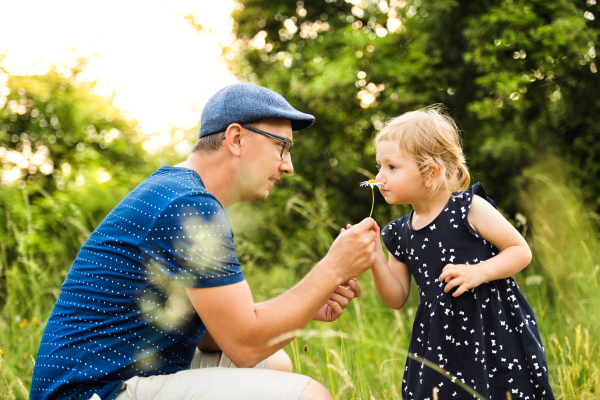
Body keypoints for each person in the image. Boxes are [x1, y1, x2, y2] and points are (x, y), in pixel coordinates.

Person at [30, 83, 381, 400]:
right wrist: (334, 266)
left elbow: (218, 335)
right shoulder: (189, 206)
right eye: (282, 147)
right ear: (236, 139)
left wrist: (308, 303)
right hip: (90, 392)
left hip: (113, 377)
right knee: (310, 396)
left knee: (275, 363)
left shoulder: (177, 191)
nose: (288, 166)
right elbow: (245, 343)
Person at [365, 105, 555, 399]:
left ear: (430, 172)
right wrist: (376, 258)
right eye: (379, 166)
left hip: (492, 330)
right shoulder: (399, 233)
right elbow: (396, 297)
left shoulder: (467, 209)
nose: (380, 177)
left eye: (391, 167)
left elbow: (520, 251)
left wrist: (480, 271)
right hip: (438, 341)